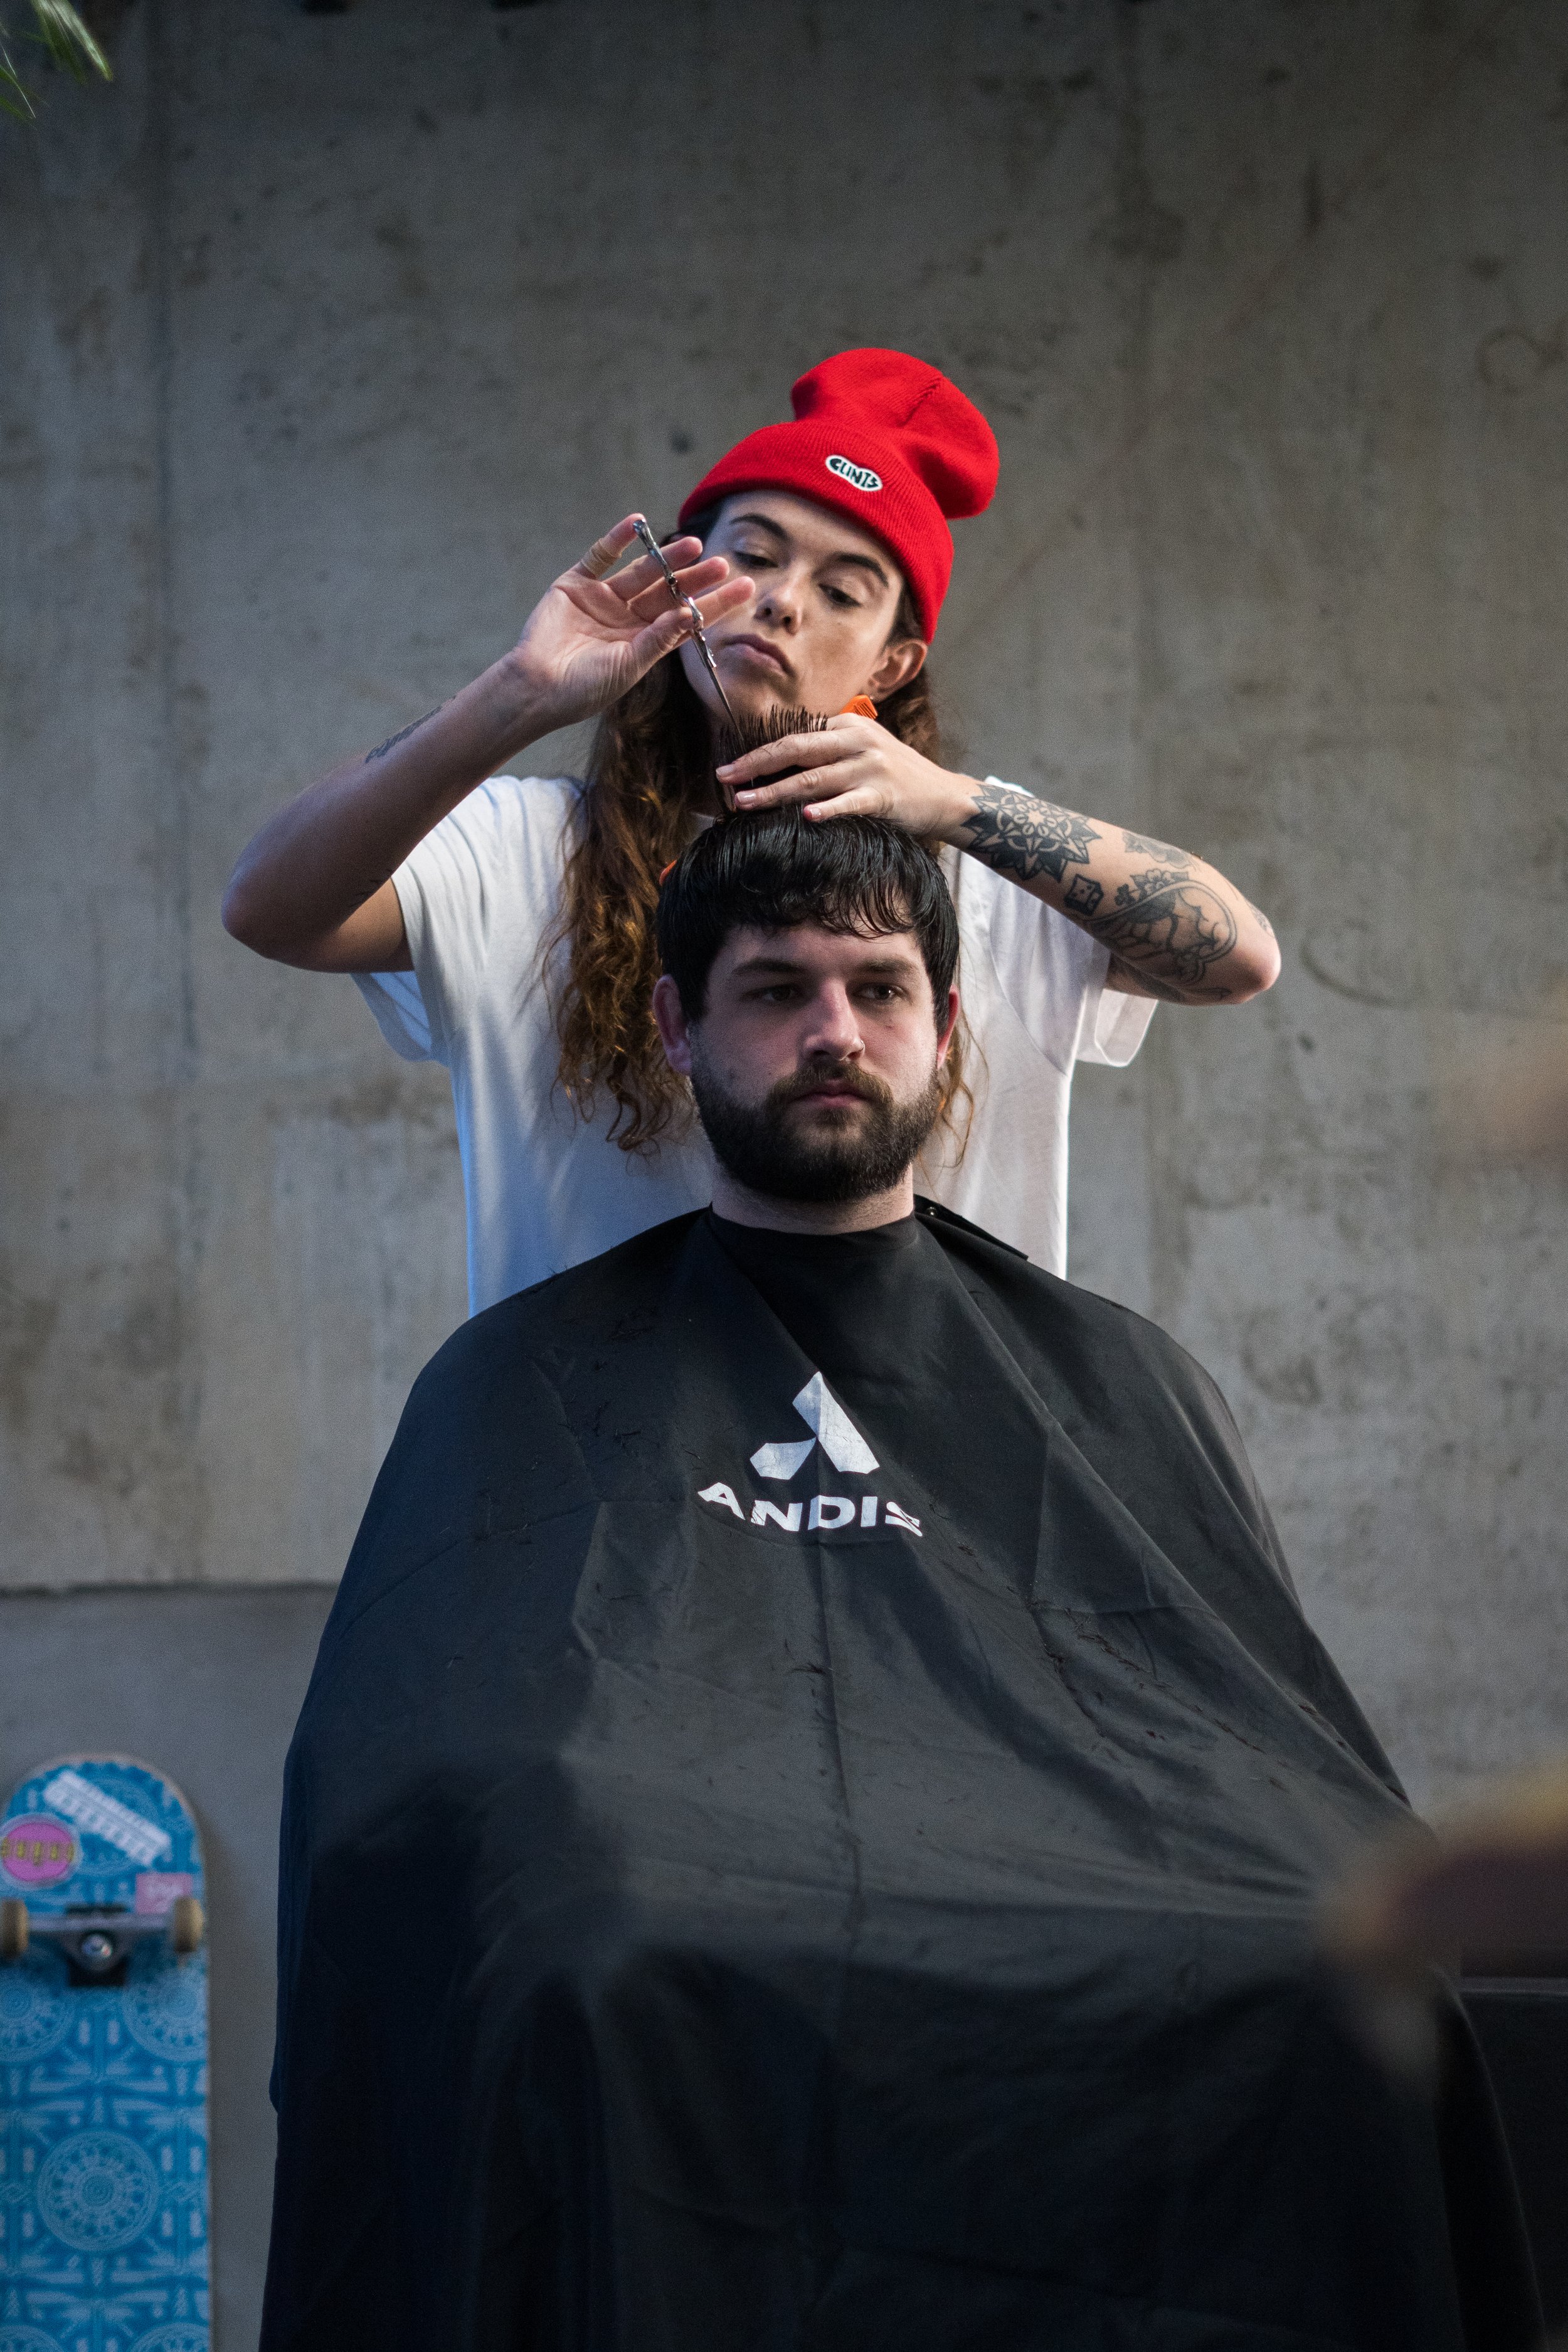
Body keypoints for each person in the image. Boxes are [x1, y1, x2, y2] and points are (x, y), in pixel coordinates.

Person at [262, 810, 1536, 2352]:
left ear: (944, 1025)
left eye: (876, 990)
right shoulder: (525, 1374)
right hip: (678, 1886)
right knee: (577, 1965)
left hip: (1082, 1865)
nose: (832, 1032)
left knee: (1325, 1979)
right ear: (674, 1024)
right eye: (772, 990)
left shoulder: (1114, 1374)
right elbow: (417, 1764)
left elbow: (1255, 1743)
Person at [223, 349, 1279, 1312]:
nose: (780, 602)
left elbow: (1239, 956)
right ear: (685, 582)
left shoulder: (985, 870)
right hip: (598, 1447)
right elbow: (268, 907)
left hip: (931, 1448)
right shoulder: (530, 851)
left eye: (842, 591)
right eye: (754, 556)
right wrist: (519, 693)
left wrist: (962, 806)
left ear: (893, 663)